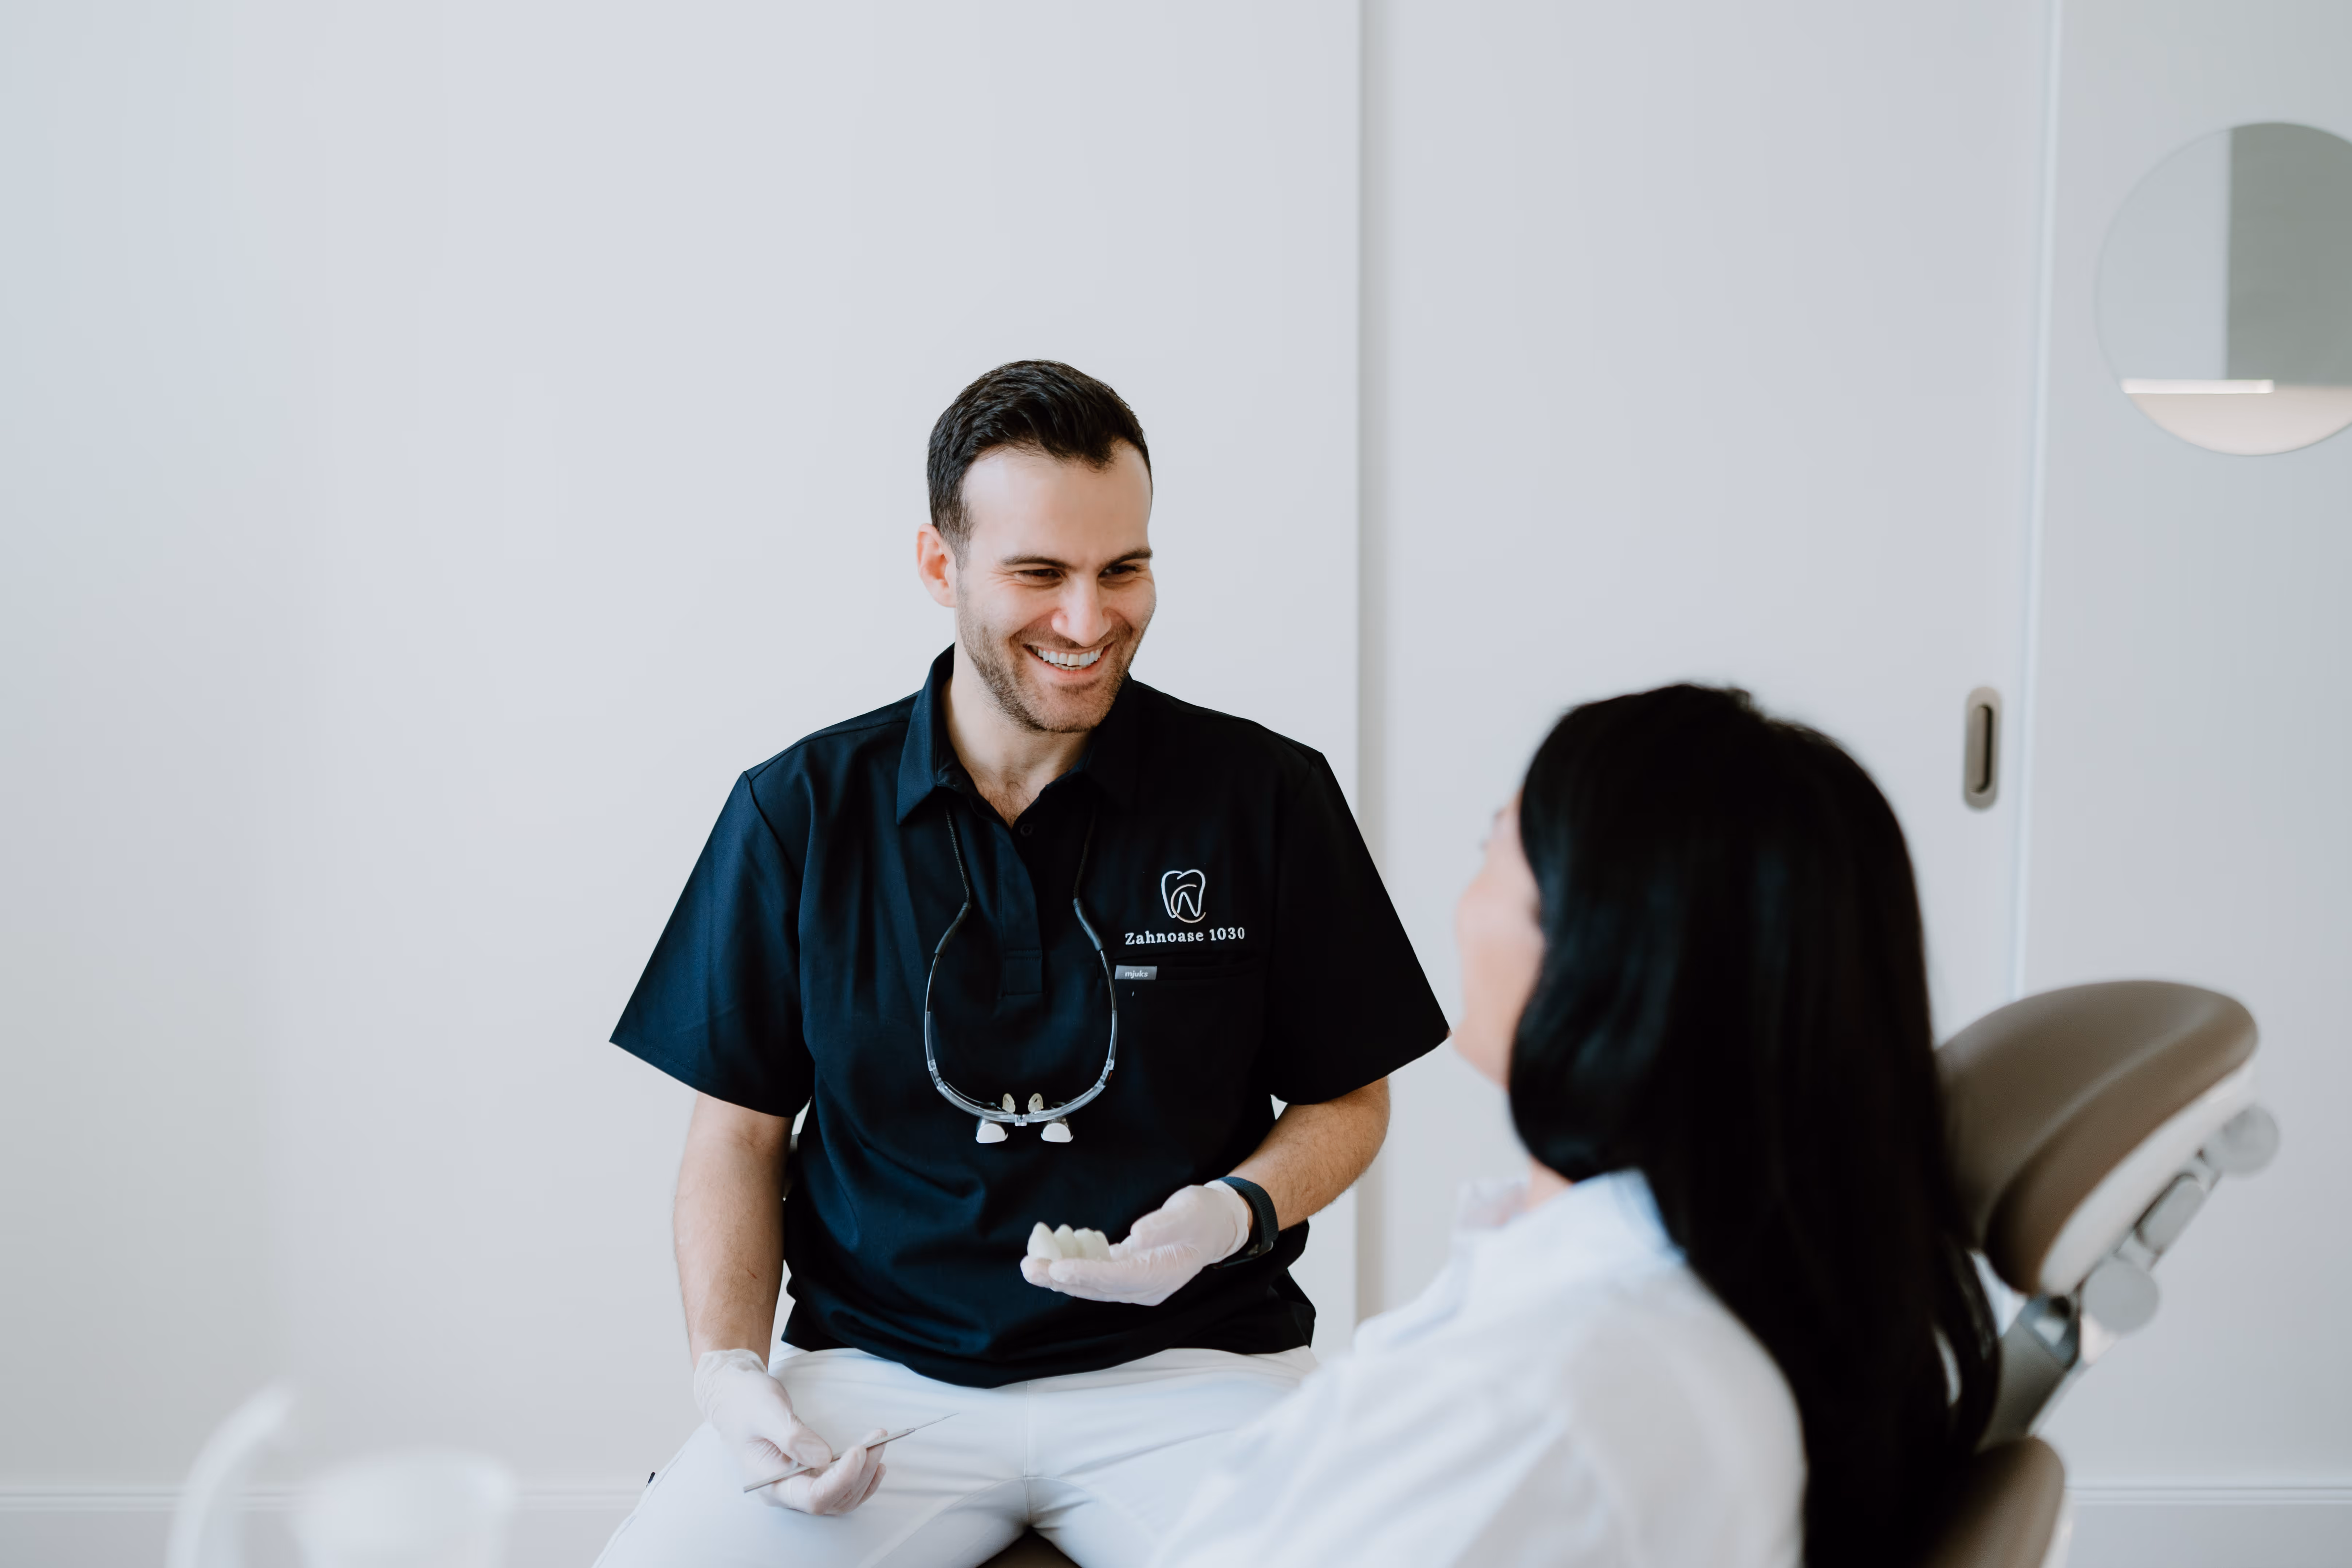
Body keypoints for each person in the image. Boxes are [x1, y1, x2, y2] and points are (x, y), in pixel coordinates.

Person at [594, 361, 1448, 1568]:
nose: (1089, 620)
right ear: (941, 567)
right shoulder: (796, 813)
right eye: (1039, 574)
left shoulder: (1264, 796)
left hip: (1196, 1368)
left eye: (1123, 569)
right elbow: (732, 1135)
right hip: (876, 1374)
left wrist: (1232, 1210)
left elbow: (1347, 1096)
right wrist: (731, 1373)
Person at [1154, 685, 1998, 1568]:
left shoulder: (1540, 1411)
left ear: (1598, 953)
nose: (1464, 894)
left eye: (1495, 844)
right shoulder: (1713, 1293)